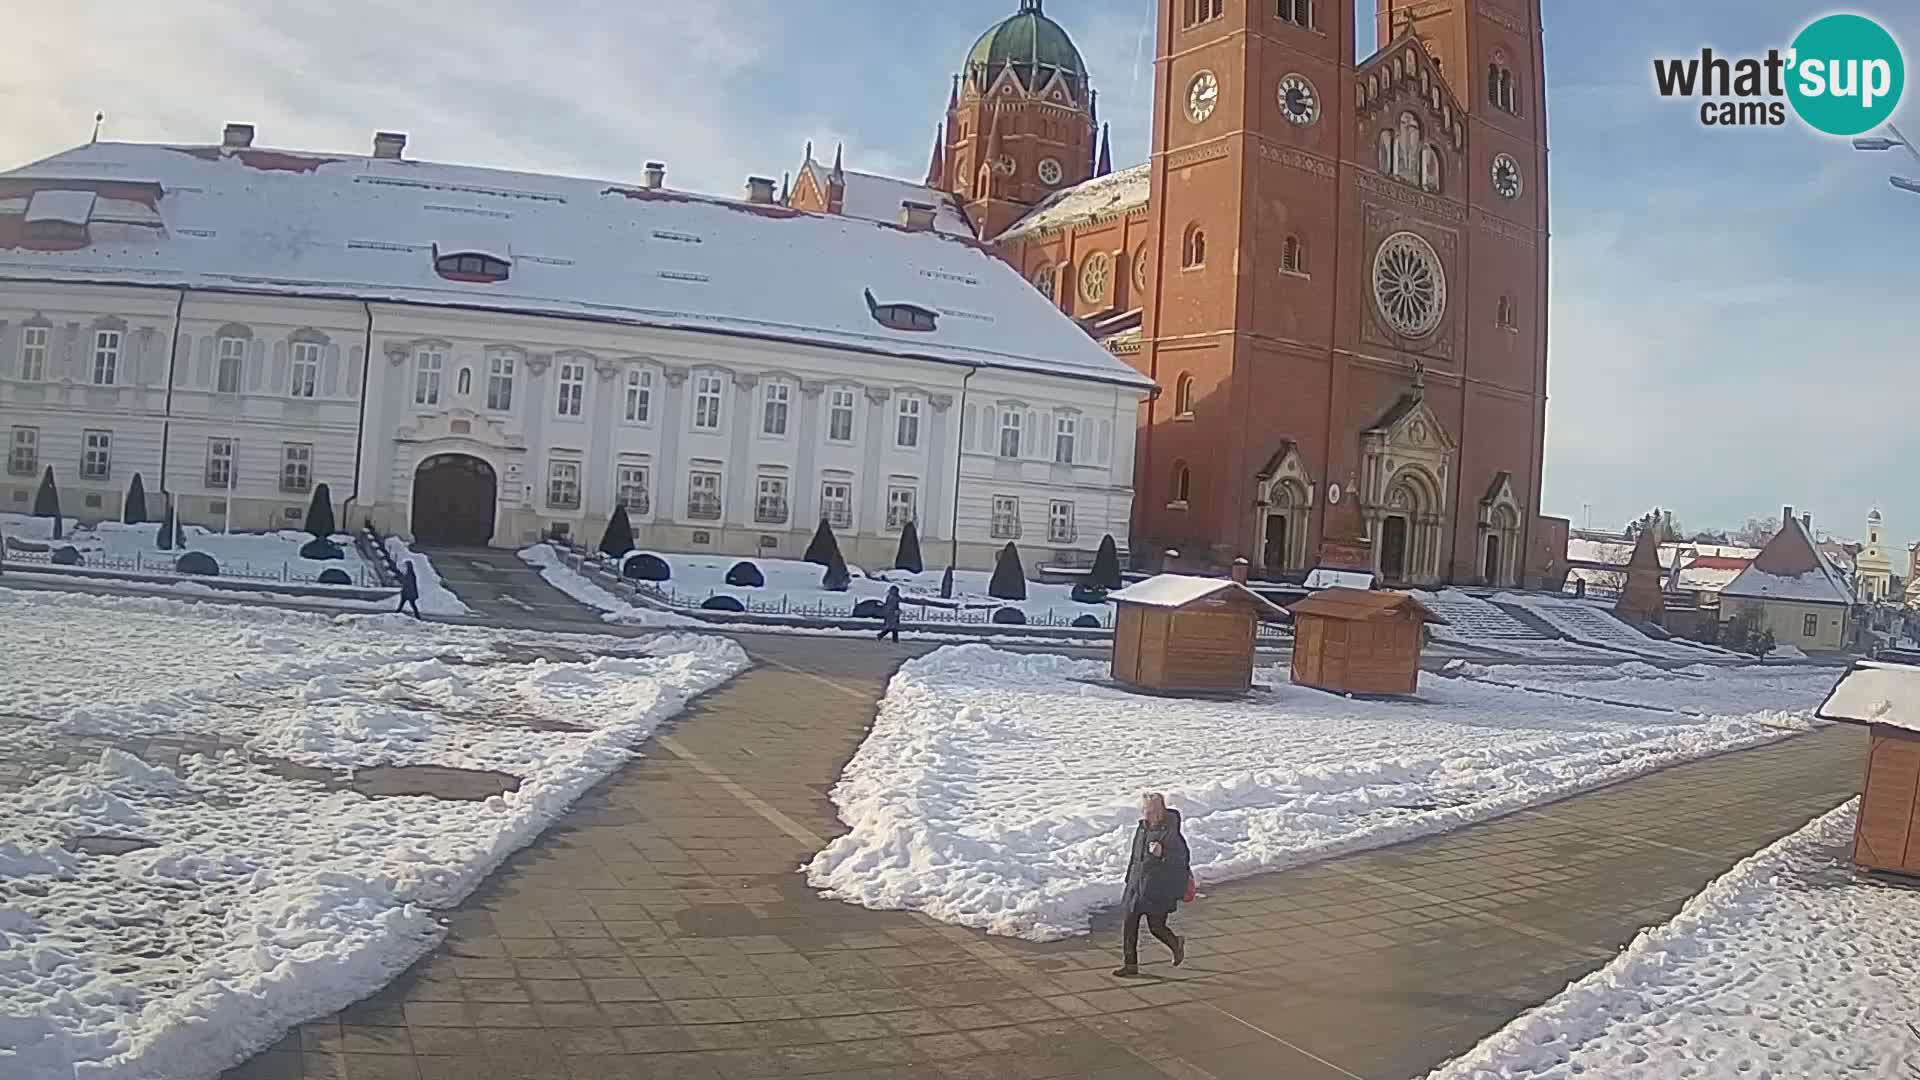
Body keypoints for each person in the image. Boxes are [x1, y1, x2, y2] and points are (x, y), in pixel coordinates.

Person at [1114, 792, 1189, 977]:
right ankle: (1130, 964)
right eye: (1144, 809)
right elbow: (1135, 857)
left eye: (1149, 810)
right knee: (1129, 924)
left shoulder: (1171, 834)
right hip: (1136, 886)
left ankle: (1175, 943)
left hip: (1157, 889)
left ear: (1159, 811)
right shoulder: (1142, 829)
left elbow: (1181, 861)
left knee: (1156, 927)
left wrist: (1162, 854)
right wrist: (1129, 880)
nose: (1145, 813)